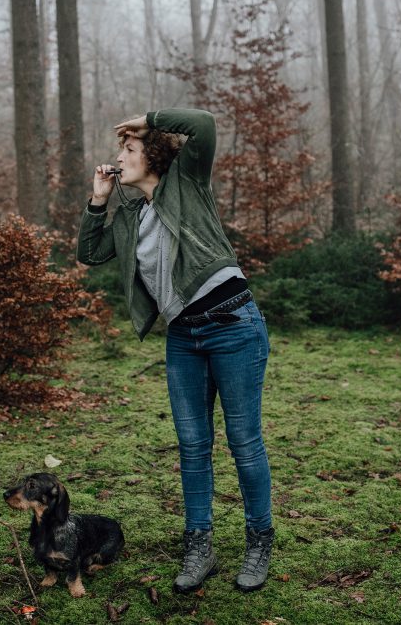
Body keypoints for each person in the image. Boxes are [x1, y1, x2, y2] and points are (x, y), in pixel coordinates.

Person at [76, 109, 273, 593]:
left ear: (154, 157)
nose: (119, 157)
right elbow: (89, 253)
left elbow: (202, 124)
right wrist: (98, 200)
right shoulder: (131, 215)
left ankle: (259, 542)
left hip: (233, 325)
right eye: (121, 150)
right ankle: (199, 546)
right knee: (192, 446)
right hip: (184, 336)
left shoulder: (187, 183)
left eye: (129, 149)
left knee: (243, 442)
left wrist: (149, 121)